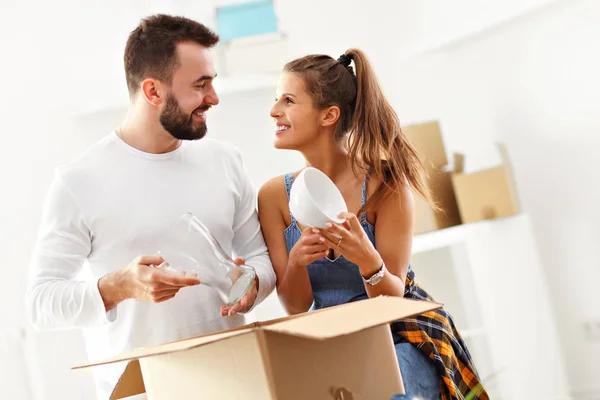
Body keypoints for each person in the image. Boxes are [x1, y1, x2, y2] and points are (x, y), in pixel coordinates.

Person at [26, 14, 276, 399]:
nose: (214, 97)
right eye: (200, 85)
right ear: (153, 91)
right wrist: (118, 286)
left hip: (237, 383)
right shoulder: (80, 182)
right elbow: (41, 304)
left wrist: (254, 284)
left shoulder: (225, 161)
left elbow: (260, 257)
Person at [258, 49, 488, 400]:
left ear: (329, 115)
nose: (274, 111)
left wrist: (369, 261)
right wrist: (297, 262)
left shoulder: (385, 185)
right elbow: (295, 305)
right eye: (277, 100)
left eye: (288, 100)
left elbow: (393, 300)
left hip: (400, 336)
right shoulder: (275, 196)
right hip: (333, 341)